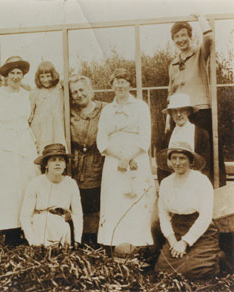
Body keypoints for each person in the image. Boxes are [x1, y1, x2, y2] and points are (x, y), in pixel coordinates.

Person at [96, 68, 156, 249]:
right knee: (115, 201)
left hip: (137, 159)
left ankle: (138, 247)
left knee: (136, 201)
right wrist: (120, 158)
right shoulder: (107, 110)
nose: (119, 85)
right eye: (116, 81)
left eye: (123, 81)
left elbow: (145, 138)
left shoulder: (141, 107)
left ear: (130, 84)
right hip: (114, 160)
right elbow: (102, 140)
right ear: (112, 84)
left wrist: (129, 158)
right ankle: (114, 246)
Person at [0, 56, 39, 245]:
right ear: (5, 76)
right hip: (4, 143)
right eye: (12, 73)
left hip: (24, 142)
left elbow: (31, 120)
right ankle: (9, 232)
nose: (16, 77)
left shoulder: (27, 95)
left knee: (26, 183)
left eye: (19, 73)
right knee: (6, 188)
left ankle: (26, 227)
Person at [167, 14, 226, 186]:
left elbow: (209, 38)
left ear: (190, 36)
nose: (180, 39)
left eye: (183, 35)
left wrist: (201, 19)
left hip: (199, 110)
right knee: (180, 152)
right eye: (176, 37)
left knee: (207, 151)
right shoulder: (172, 64)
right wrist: (167, 121)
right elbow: (170, 92)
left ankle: (214, 190)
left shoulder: (199, 53)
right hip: (178, 112)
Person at [155, 142, 221, 279]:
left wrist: (185, 242)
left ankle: (218, 257)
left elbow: (205, 217)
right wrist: (173, 242)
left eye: (182, 158)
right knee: (163, 268)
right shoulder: (165, 183)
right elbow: (163, 214)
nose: (177, 162)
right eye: (174, 158)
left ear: (191, 161)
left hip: (201, 231)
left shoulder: (201, 181)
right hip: (177, 228)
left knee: (196, 269)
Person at [20, 143, 83, 247]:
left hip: (61, 226)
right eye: (53, 160)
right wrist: (32, 241)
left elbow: (77, 213)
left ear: (65, 164)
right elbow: (25, 216)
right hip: (40, 226)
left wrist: (77, 239)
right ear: (46, 164)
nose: (57, 163)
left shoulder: (70, 183)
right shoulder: (36, 183)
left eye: (61, 160)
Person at [69, 75, 106, 243]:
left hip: (98, 162)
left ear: (90, 90)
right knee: (79, 202)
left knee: (98, 202)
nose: (79, 95)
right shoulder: (69, 112)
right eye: (74, 92)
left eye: (82, 90)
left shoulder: (104, 110)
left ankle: (97, 241)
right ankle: (81, 240)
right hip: (77, 165)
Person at [157, 93, 210, 183]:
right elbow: (161, 166)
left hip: (194, 183)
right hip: (172, 184)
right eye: (174, 111)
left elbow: (205, 165)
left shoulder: (201, 134)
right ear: (170, 113)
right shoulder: (167, 136)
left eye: (182, 110)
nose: (178, 114)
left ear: (188, 111)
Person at [29, 61, 66, 153]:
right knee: (42, 149)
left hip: (57, 124)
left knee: (58, 148)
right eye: (42, 77)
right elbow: (31, 111)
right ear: (38, 78)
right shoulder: (35, 92)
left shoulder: (59, 89)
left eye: (48, 76)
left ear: (53, 75)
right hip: (41, 126)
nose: (45, 79)